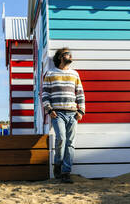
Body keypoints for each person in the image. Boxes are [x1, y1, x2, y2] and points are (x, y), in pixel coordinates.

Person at [42, 47, 85, 183]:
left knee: (70, 143)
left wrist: (81, 110)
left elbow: (80, 93)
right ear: (61, 57)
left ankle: (66, 172)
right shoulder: (50, 73)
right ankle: (58, 166)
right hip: (57, 113)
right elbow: (45, 94)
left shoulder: (75, 74)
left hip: (73, 114)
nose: (71, 56)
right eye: (68, 54)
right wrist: (49, 110)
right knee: (61, 139)